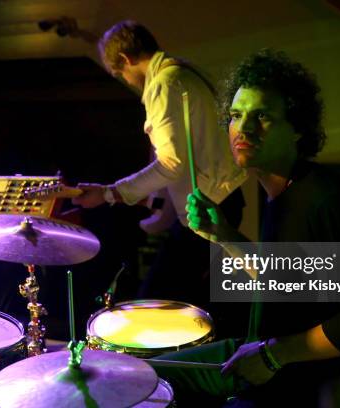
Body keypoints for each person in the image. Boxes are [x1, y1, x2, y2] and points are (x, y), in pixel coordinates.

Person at [155, 49, 340, 406]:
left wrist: (272, 356)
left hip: (297, 382)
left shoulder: (324, 200)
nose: (244, 128)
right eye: (237, 115)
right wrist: (223, 234)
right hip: (262, 350)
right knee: (138, 372)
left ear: (298, 129)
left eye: (262, 116)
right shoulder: (280, 190)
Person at [71, 20, 246, 310]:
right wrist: (160, 211)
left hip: (210, 208)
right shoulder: (186, 72)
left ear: (126, 59)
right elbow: (184, 155)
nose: (125, 81)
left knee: (156, 303)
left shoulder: (162, 84)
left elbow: (171, 163)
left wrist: (108, 193)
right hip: (223, 200)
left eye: (119, 74)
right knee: (186, 301)